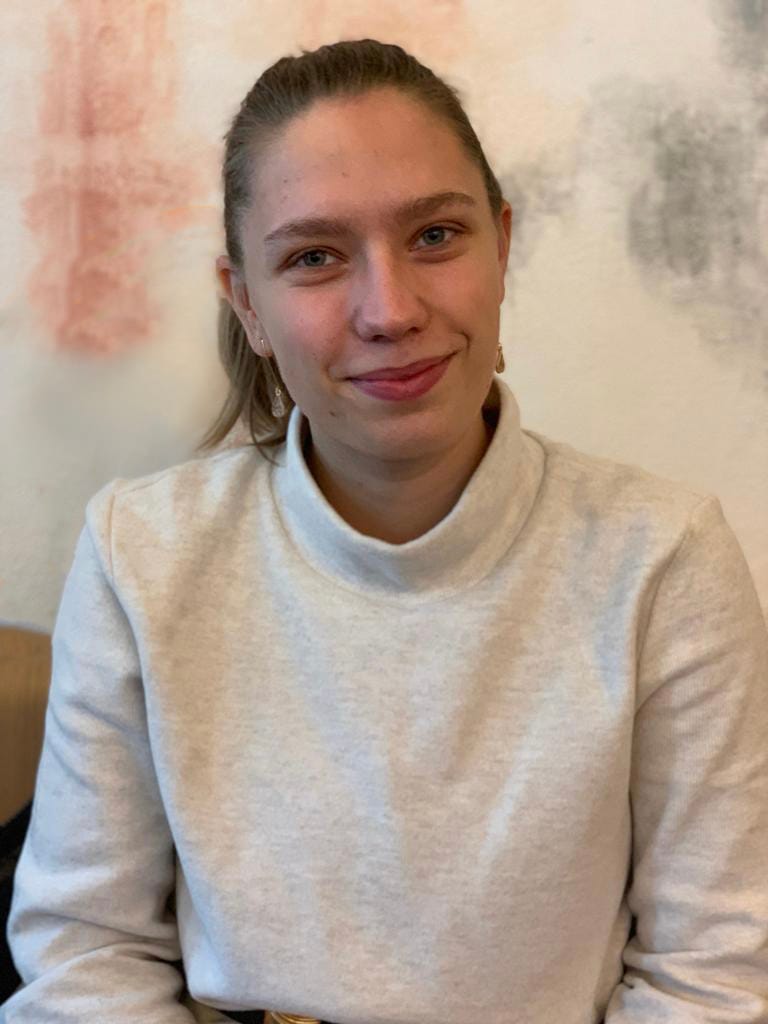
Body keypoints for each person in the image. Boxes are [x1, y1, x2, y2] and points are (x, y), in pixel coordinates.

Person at [2, 37, 767, 1024]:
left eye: (436, 235)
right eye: (314, 257)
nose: (390, 310)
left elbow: (712, 974)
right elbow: (84, 953)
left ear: (501, 248)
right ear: (248, 304)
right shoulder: (140, 552)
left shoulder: (664, 558)